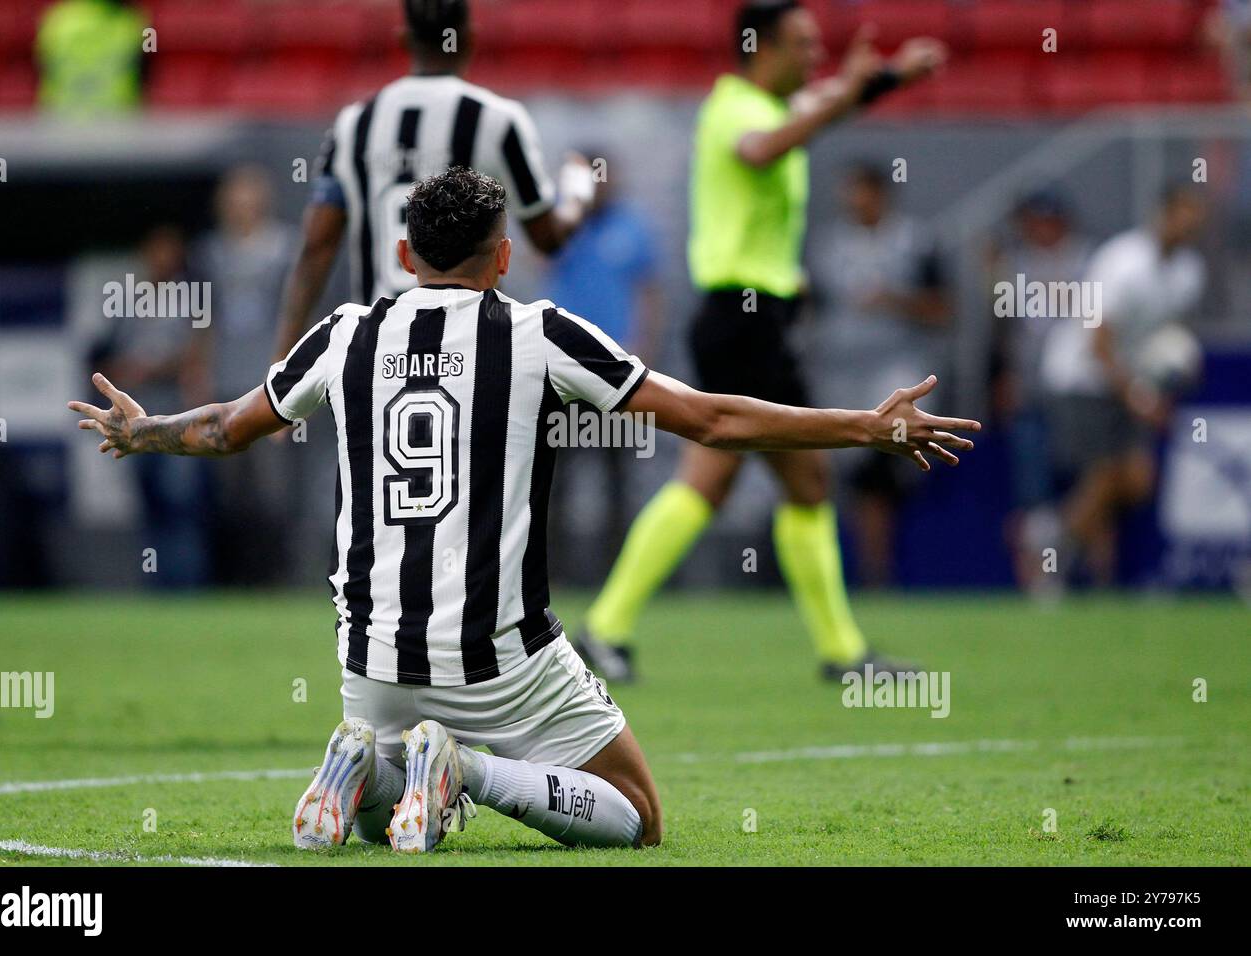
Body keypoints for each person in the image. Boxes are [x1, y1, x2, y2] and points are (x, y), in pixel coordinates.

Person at [67, 167, 981, 852]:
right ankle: (465, 768)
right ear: (503, 256)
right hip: (505, 662)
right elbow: (712, 418)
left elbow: (225, 428)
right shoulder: (538, 334)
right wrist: (868, 426)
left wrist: (146, 432)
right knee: (640, 818)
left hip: (371, 664)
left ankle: (371, 765)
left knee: (392, 756)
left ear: (400, 254)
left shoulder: (346, 334)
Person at [572, 0, 947, 683]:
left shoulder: (773, 106)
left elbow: (819, 106)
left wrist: (883, 80)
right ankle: (837, 654)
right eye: (802, 43)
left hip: (755, 318)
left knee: (763, 480)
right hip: (741, 317)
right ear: (761, 48)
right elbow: (767, 147)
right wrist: (860, 89)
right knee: (772, 478)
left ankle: (608, 630)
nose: (815, 55)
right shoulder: (737, 109)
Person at [271, 0, 593, 360]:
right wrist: (578, 190)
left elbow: (317, 248)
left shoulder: (355, 123)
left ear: (405, 39)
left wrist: (281, 364)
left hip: (376, 354)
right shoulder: (497, 120)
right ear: (468, 39)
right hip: (469, 350)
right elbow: (548, 239)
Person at [1039, 185, 1207, 587]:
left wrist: (1172, 372)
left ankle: (1055, 543)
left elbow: (1165, 335)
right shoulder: (1123, 261)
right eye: (1183, 213)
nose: (1191, 223)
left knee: (1134, 480)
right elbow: (1097, 343)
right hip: (1079, 377)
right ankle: (1055, 560)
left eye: (1195, 214)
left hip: (1124, 380)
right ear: (1163, 214)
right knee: (1104, 476)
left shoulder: (1189, 271)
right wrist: (1137, 394)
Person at [810, 161, 950, 588]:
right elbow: (810, 306)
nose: (855, 200)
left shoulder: (916, 241)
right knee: (855, 475)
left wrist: (895, 301)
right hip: (840, 371)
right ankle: (872, 572)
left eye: (863, 191)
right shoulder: (827, 245)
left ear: (882, 193)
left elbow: (942, 310)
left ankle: (881, 570)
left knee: (888, 472)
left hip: (895, 368)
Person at [542, 151, 663, 572]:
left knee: (617, 478)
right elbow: (539, 259)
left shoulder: (632, 226)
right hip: (561, 369)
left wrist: (645, 346)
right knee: (553, 476)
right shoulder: (560, 226)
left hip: (616, 369)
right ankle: (547, 572)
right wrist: (571, 210)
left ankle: (617, 571)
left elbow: (647, 291)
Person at [196, 166, 299, 585]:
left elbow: (295, 318)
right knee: (229, 486)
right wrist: (199, 371)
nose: (239, 208)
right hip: (225, 379)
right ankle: (233, 578)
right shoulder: (209, 252)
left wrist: (295, 380)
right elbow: (204, 321)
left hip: (269, 384)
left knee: (273, 486)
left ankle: (275, 576)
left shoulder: (285, 247)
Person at [987, 190, 1092, 594]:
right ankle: (1041, 576)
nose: (1038, 229)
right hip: (1031, 389)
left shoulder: (1088, 262)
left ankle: (1098, 576)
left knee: (1090, 480)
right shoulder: (1013, 267)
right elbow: (1005, 332)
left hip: (1081, 389)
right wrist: (1004, 377)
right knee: (1034, 488)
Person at [100, 225, 210, 588]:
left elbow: (198, 356)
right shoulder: (130, 302)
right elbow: (107, 354)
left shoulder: (192, 301)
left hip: (178, 418)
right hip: (136, 421)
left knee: (180, 507)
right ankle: (157, 589)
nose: (161, 260)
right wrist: (122, 370)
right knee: (149, 508)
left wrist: (152, 368)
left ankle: (187, 590)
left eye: (168, 251)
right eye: (154, 251)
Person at [36, 0, 147, 115]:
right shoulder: (131, 22)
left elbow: (42, 65)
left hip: (61, 116)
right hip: (117, 116)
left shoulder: (56, 19)